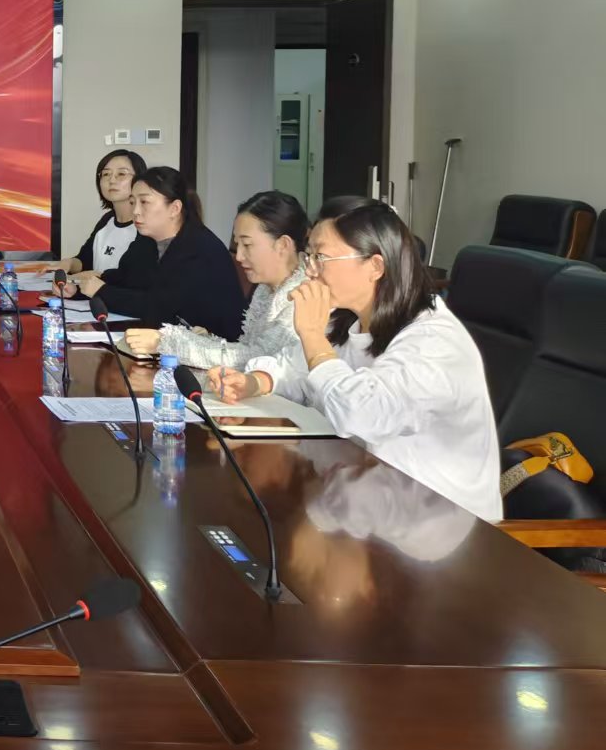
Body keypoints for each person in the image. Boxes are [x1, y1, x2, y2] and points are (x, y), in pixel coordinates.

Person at [214, 197, 500, 522]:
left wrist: (312, 335)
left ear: (375, 266)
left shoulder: (434, 342)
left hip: (436, 525)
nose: (309, 270)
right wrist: (255, 381)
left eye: (321, 257)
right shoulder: (348, 319)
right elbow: (297, 367)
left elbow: (362, 414)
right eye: (310, 256)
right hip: (365, 498)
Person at [125, 190, 308, 389]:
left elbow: (257, 358)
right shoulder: (266, 288)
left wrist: (168, 342)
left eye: (247, 244)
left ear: (283, 245)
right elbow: (246, 348)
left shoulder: (304, 295)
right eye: (237, 245)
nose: (239, 256)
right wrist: (199, 340)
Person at [66, 166, 246, 334]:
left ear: (174, 208)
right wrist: (78, 289)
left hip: (212, 347)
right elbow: (125, 278)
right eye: (133, 202)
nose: (136, 211)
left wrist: (102, 291)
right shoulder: (147, 240)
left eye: (144, 202)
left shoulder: (200, 249)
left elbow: (161, 307)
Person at [54, 148, 149, 276]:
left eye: (121, 174)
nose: (112, 180)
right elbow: (84, 261)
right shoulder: (107, 219)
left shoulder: (147, 226)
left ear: (140, 180)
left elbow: (136, 278)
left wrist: (98, 280)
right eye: (106, 174)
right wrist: (69, 263)